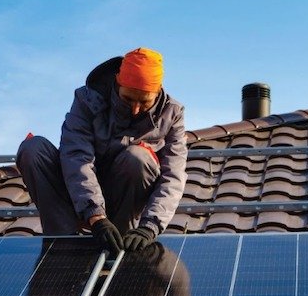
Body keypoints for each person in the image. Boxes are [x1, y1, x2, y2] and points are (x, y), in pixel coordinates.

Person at [16, 48, 186, 253]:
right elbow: (77, 157)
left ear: (158, 90)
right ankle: (62, 244)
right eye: (128, 99)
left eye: (144, 102)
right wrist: (95, 215)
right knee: (33, 149)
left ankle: (120, 244)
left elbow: (173, 176)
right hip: (77, 196)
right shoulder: (87, 100)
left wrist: (149, 227)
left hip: (123, 201)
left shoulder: (172, 114)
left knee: (138, 158)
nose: (135, 109)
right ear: (117, 82)